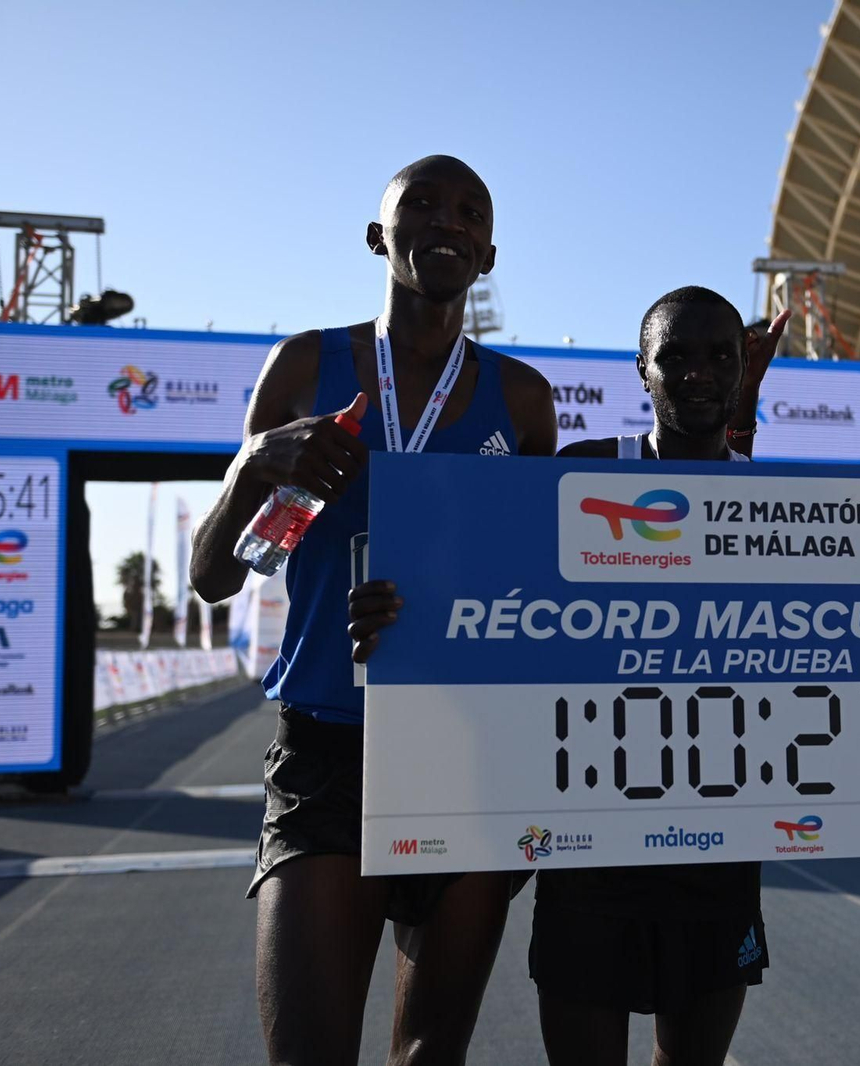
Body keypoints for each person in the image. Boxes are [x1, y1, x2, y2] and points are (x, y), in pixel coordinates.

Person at [350, 288, 790, 1066]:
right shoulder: (579, 473)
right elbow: (485, 608)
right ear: (641, 370)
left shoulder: (784, 503)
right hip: (589, 853)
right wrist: (400, 622)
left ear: (741, 368)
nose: (697, 372)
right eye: (675, 356)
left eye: (719, 355)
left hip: (720, 853)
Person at [190, 155, 557, 1065]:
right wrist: (253, 466)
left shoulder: (521, 399)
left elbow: (539, 590)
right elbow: (213, 577)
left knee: (430, 1055)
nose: (447, 221)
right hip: (329, 743)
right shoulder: (306, 364)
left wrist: (439, 611)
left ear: (489, 252)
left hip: (468, 750)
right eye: (421, 204)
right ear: (376, 237)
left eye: (470, 212)